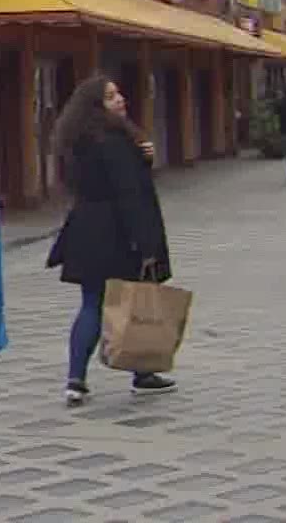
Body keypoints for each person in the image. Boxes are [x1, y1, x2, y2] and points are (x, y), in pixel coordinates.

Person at [46, 74, 178, 405]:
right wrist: (146, 243)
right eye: (110, 96)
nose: (120, 99)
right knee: (134, 299)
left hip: (85, 229)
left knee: (91, 302)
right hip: (118, 231)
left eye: (118, 93)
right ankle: (142, 371)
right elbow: (129, 193)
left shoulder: (76, 139)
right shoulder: (115, 141)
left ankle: (76, 379)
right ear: (95, 105)